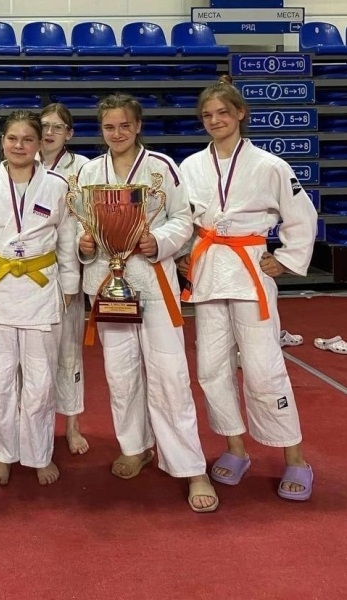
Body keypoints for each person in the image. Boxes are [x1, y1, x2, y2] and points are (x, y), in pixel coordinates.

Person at [178, 76, 317, 501]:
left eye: (223, 112)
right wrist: (183, 252)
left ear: (240, 113)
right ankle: (235, 448)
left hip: (249, 269)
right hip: (208, 271)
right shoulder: (191, 166)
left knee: (263, 367)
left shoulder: (270, 165)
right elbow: (181, 217)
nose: (214, 120)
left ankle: (296, 458)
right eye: (207, 115)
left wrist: (287, 259)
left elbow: (302, 215)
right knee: (211, 368)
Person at [77, 94, 218, 512]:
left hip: (153, 282)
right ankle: (135, 446)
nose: (117, 133)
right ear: (101, 130)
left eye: (124, 125)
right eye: (109, 127)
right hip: (109, 283)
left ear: (138, 126)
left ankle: (191, 466)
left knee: (170, 376)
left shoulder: (162, 167)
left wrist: (159, 241)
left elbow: (183, 219)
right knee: (120, 374)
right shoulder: (89, 172)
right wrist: (84, 246)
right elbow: (78, 224)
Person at [0, 110, 80, 486]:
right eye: (12, 138)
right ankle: (2, 453)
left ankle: (39, 454)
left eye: (28, 139)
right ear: (2, 142)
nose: (19, 145)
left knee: (40, 379)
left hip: (41, 289)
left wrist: (70, 286)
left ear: (39, 143)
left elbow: (67, 238)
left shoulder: (57, 186)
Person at [38, 103, 90, 455]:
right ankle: (34, 423)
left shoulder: (83, 168)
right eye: (45, 125)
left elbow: (91, 215)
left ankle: (72, 425)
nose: (49, 133)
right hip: (33, 271)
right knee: (33, 355)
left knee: (69, 351)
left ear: (69, 134)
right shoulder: (23, 161)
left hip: (70, 262)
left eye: (58, 127)